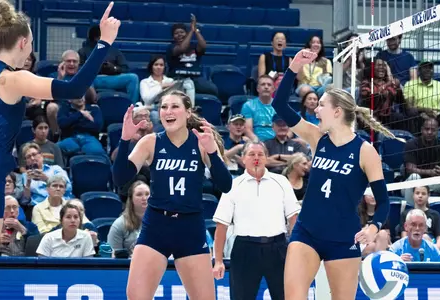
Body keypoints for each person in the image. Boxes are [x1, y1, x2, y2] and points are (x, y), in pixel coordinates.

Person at [0, 1, 120, 299]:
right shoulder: (13, 79)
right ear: (22, 42)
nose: (30, 51)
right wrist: (104, 43)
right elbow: (73, 89)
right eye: (30, 44)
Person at [271, 49, 391, 300]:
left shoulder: (365, 152)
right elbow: (279, 104)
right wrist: (293, 67)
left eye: (321, 105)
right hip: (307, 232)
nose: (316, 110)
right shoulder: (317, 138)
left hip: (343, 238)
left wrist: (373, 227)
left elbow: (383, 202)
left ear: (337, 112)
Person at [112, 91, 232, 300]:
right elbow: (120, 179)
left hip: (190, 227)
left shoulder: (201, 142)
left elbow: (226, 185)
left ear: (187, 112)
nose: (168, 111)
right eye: (164, 107)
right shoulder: (151, 142)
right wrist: (124, 140)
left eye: (175, 106)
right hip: (156, 225)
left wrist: (212, 151)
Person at [212, 141, 300, 300]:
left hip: (278, 248)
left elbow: (293, 219)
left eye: (260, 154)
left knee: (285, 297)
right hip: (245, 249)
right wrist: (218, 260)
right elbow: (221, 225)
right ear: (243, 159)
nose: (256, 158)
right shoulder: (233, 185)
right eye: (251, 154)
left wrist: (295, 254)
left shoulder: (281, 182)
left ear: (267, 158)